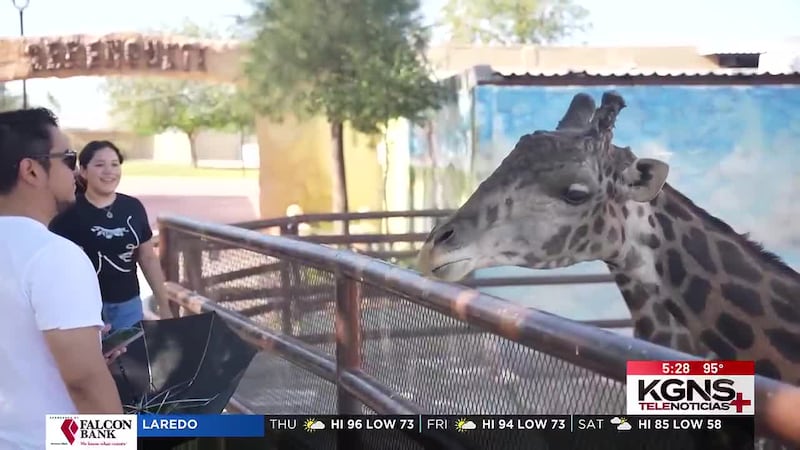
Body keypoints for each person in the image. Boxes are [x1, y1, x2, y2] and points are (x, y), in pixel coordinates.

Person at [0, 108, 123, 449]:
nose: (77, 171)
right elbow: (84, 381)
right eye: (69, 159)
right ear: (31, 170)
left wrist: (90, 349)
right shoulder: (54, 255)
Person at [50, 140, 172, 332]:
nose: (109, 171)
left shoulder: (133, 208)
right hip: (84, 309)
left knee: (131, 360)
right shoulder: (67, 214)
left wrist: (164, 305)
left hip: (128, 306)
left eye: (115, 164)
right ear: (83, 171)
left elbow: (148, 258)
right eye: (100, 165)